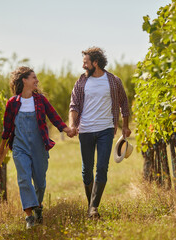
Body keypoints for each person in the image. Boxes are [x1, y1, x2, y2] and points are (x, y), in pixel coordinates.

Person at [0, 66, 74, 229]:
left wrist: (67, 130)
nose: (37, 80)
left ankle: (38, 207)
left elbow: (53, 116)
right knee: (24, 179)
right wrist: (1, 148)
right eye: (34, 77)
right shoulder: (12, 103)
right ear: (24, 80)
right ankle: (29, 217)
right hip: (20, 146)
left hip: (39, 145)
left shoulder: (40, 100)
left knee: (40, 183)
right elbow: (7, 127)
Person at [68, 47, 131, 218]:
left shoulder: (113, 81)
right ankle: (91, 206)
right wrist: (73, 125)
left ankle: (93, 208)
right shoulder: (81, 82)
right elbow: (73, 105)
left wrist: (125, 125)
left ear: (95, 63)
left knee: (102, 168)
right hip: (86, 130)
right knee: (86, 170)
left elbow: (124, 103)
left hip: (106, 129)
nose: (83, 66)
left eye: (86, 63)